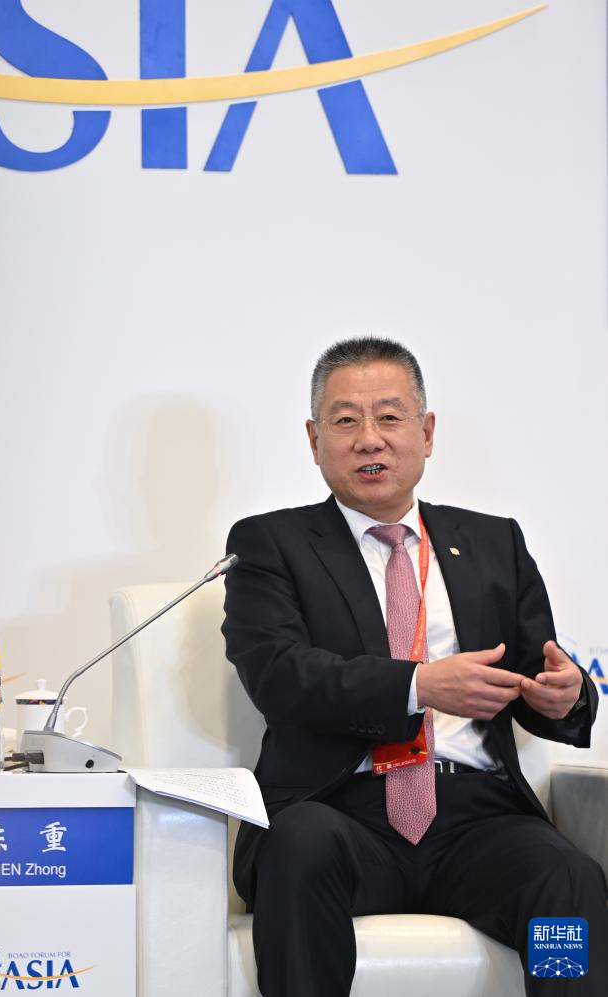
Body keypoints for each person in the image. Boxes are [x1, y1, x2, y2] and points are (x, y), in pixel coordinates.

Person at [222, 337, 607, 997]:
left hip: (477, 820)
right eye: (346, 420)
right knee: (299, 843)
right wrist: (417, 685)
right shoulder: (271, 544)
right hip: (339, 813)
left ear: (425, 433)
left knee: (566, 880)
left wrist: (563, 696)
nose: (369, 438)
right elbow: (279, 675)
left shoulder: (494, 542)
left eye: (389, 416)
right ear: (314, 439)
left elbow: (535, 673)